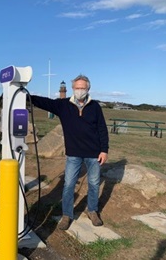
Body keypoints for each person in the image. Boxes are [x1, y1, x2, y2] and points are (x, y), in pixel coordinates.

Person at [30, 74, 109, 230]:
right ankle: (67, 215)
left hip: (93, 154)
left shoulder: (95, 107)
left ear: (88, 89)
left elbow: (102, 129)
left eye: (83, 88)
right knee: (69, 185)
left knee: (93, 184)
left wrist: (104, 150)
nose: (80, 90)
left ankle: (92, 211)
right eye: (77, 87)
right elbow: (45, 102)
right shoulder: (63, 105)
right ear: (72, 89)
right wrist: (27, 96)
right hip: (73, 153)